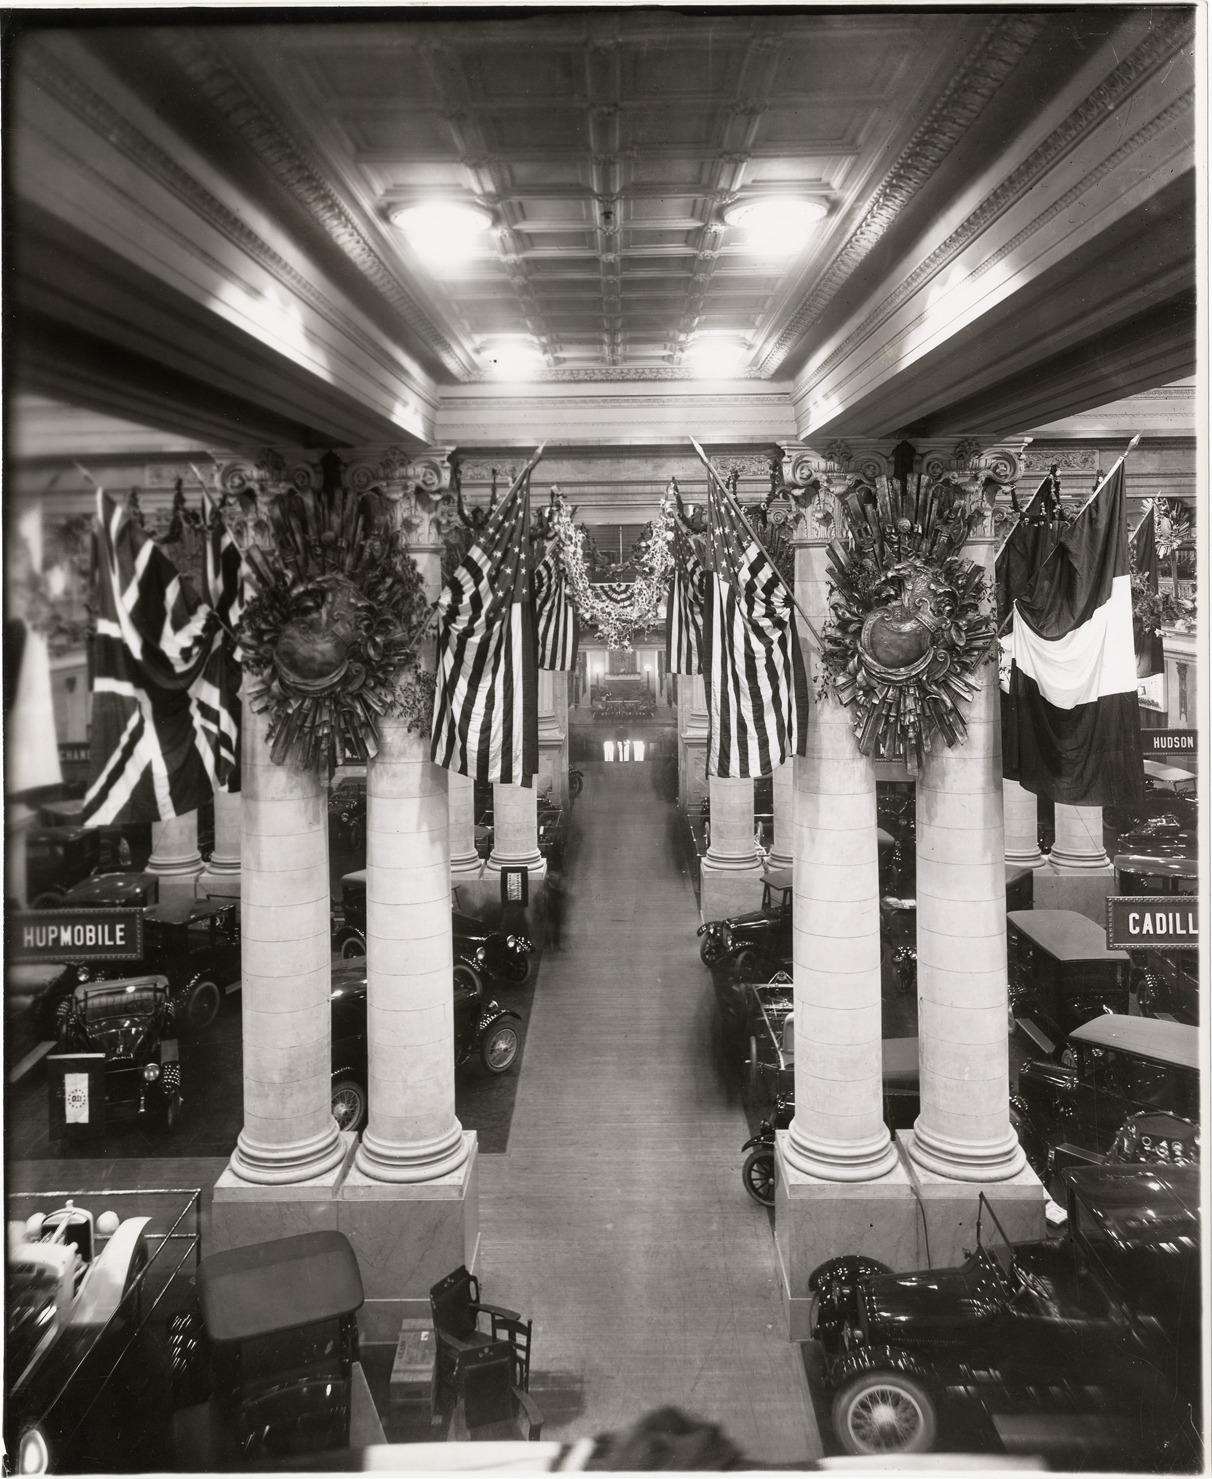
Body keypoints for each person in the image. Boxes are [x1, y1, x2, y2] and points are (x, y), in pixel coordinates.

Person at [546, 868, 566, 951]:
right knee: (551, 927)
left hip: (555, 911)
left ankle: (555, 944)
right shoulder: (550, 890)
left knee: (556, 927)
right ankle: (551, 944)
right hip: (551, 911)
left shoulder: (554, 889)